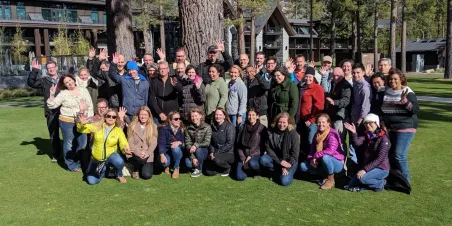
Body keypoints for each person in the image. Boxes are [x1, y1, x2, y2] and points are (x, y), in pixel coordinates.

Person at [47, 74, 94, 171]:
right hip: (67, 121)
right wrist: (51, 94)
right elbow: (52, 105)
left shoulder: (83, 90)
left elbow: (90, 105)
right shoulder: (63, 93)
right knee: (69, 143)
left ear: (73, 79)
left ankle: (78, 159)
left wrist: (89, 119)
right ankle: (71, 165)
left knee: (83, 143)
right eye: (66, 83)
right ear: (64, 85)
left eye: (70, 80)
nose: (69, 83)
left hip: (82, 121)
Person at [381, 68, 419, 184]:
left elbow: (415, 110)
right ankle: (395, 179)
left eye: (395, 79)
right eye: (391, 79)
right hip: (391, 128)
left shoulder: (408, 92)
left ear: (401, 80)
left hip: (405, 127)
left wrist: (405, 101)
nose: (393, 81)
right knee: (391, 155)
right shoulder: (388, 92)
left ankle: (406, 181)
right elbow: (384, 110)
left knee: (399, 155)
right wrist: (383, 122)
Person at [77, 109, 131, 185]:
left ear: (116, 119)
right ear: (105, 117)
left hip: (110, 157)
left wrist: (125, 149)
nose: (111, 118)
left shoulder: (118, 130)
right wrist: (81, 124)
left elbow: (123, 142)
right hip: (97, 159)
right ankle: (104, 171)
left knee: (119, 161)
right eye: (108, 116)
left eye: (113, 117)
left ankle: (119, 175)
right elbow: (81, 130)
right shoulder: (97, 126)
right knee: (92, 181)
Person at [344, 113, 391, 192]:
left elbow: (380, 159)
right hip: (369, 166)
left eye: (370, 122)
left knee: (362, 179)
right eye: (366, 123)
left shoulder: (384, 139)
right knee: (351, 183)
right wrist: (354, 132)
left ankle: (381, 184)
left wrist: (364, 170)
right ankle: (369, 183)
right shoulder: (367, 136)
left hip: (381, 168)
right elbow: (357, 143)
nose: (368, 125)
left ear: (376, 124)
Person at [27, 59, 62, 162]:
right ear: (47, 70)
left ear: (56, 67)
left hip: (65, 110)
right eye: (48, 68)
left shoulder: (63, 79)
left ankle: (70, 156)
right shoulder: (44, 80)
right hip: (51, 112)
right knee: (53, 134)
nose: (51, 69)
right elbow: (31, 83)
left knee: (68, 135)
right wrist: (34, 71)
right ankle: (56, 155)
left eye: (52, 67)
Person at [300, 113, 345, 190]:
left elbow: (331, 151)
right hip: (321, 161)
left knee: (325, 157)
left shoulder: (332, 134)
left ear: (328, 123)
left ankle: (330, 179)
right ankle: (324, 176)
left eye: (323, 122)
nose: (321, 124)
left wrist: (316, 156)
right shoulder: (317, 135)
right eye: (319, 122)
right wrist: (311, 159)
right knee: (303, 166)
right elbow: (312, 150)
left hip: (336, 163)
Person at [260, 112, 299, 186]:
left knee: (285, 182)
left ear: (289, 123)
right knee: (263, 160)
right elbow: (268, 148)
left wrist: (287, 166)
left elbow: (295, 154)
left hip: (290, 161)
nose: (281, 125)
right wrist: (280, 161)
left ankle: (288, 172)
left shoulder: (293, 134)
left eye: (284, 122)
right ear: (277, 122)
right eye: (280, 122)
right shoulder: (271, 131)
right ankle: (278, 171)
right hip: (277, 158)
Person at [109, 52, 149, 120]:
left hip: (139, 114)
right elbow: (112, 74)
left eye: (133, 69)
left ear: (136, 70)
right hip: (127, 113)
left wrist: (145, 112)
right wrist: (113, 64)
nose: (131, 72)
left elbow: (145, 99)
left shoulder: (145, 82)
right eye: (129, 70)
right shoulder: (124, 80)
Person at [297, 67, 324, 154]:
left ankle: (314, 160)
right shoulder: (303, 87)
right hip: (302, 119)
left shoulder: (317, 88)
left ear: (313, 77)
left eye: (310, 77)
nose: (308, 79)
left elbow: (319, 106)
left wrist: (311, 120)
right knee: (303, 141)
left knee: (311, 141)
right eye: (306, 76)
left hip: (312, 120)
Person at [324, 67, 352, 153]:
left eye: (338, 76)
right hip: (331, 116)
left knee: (340, 141)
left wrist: (334, 102)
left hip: (340, 118)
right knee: (331, 140)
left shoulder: (346, 86)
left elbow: (346, 100)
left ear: (342, 75)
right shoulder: (332, 83)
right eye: (333, 75)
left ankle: (342, 163)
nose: (335, 77)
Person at [126, 106, 158, 180]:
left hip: (147, 154)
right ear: (138, 115)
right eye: (141, 114)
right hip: (134, 153)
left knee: (146, 175)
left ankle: (139, 167)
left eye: (145, 115)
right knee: (139, 160)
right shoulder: (132, 125)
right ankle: (135, 169)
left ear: (149, 116)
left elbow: (154, 143)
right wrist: (138, 152)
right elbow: (130, 142)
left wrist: (147, 153)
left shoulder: (153, 126)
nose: (143, 117)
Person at [235, 109, 267, 181]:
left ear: (257, 116)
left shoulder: (262, 128)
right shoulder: (242, 127)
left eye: (253, 115)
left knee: (252, 163)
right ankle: (248, 170)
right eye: (249, 115)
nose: (251, 117)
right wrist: (243, 158)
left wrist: (251, 155)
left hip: (255, 155)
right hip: (243, 155)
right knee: (240, 177)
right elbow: (238, 144)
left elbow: (262, 147)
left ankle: (258, 171)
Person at [350, 63, 372, 165]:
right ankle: (355, 165)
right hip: (353, 118)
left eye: (358, 73)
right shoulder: (355, 84)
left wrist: (359, 121)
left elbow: (365, 106)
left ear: (363, 73)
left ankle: (361, 166)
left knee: (360, 145)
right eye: (353, 73)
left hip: (360, 122)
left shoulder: (364, 87)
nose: (355, 75)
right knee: (353, 144)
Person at [205, 108, 236, 177]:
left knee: (216, 159)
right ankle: (220, 168)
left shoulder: (230, 127)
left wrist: (216, 153)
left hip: (228, 153)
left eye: (220, 115)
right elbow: (211, 142)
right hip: (216, 153)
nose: (218, 116)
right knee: (208, 172)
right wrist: (212, 152)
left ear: (224, 116)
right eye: (216, 114)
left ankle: (228, 167)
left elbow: (229, 144)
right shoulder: (212, 127)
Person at [185, 108, 212, 177]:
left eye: (196, 116)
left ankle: (198, 169)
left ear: (200, 116)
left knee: (198, 150)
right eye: (192, 116)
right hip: (191, 152)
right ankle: (198, 162)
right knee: (188, 164)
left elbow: (207, 142)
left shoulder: (207, 127)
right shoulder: (188, 128)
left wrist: (196, 145)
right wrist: (193, 158)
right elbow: (188, 144)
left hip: (204, 150)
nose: (194, 118)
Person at [158, 111, 185, 179]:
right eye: (176, 119)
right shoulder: (163, 129)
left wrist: (180, 142)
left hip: (177, 151)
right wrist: (162, 154)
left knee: (176, 148)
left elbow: (184, 142)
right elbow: (161, 143)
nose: (178, 120)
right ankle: (167, 166)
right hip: (166, 151)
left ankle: (176, 168)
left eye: (179, 118)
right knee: (164, 163)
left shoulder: (182, 128)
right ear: (170, 120)